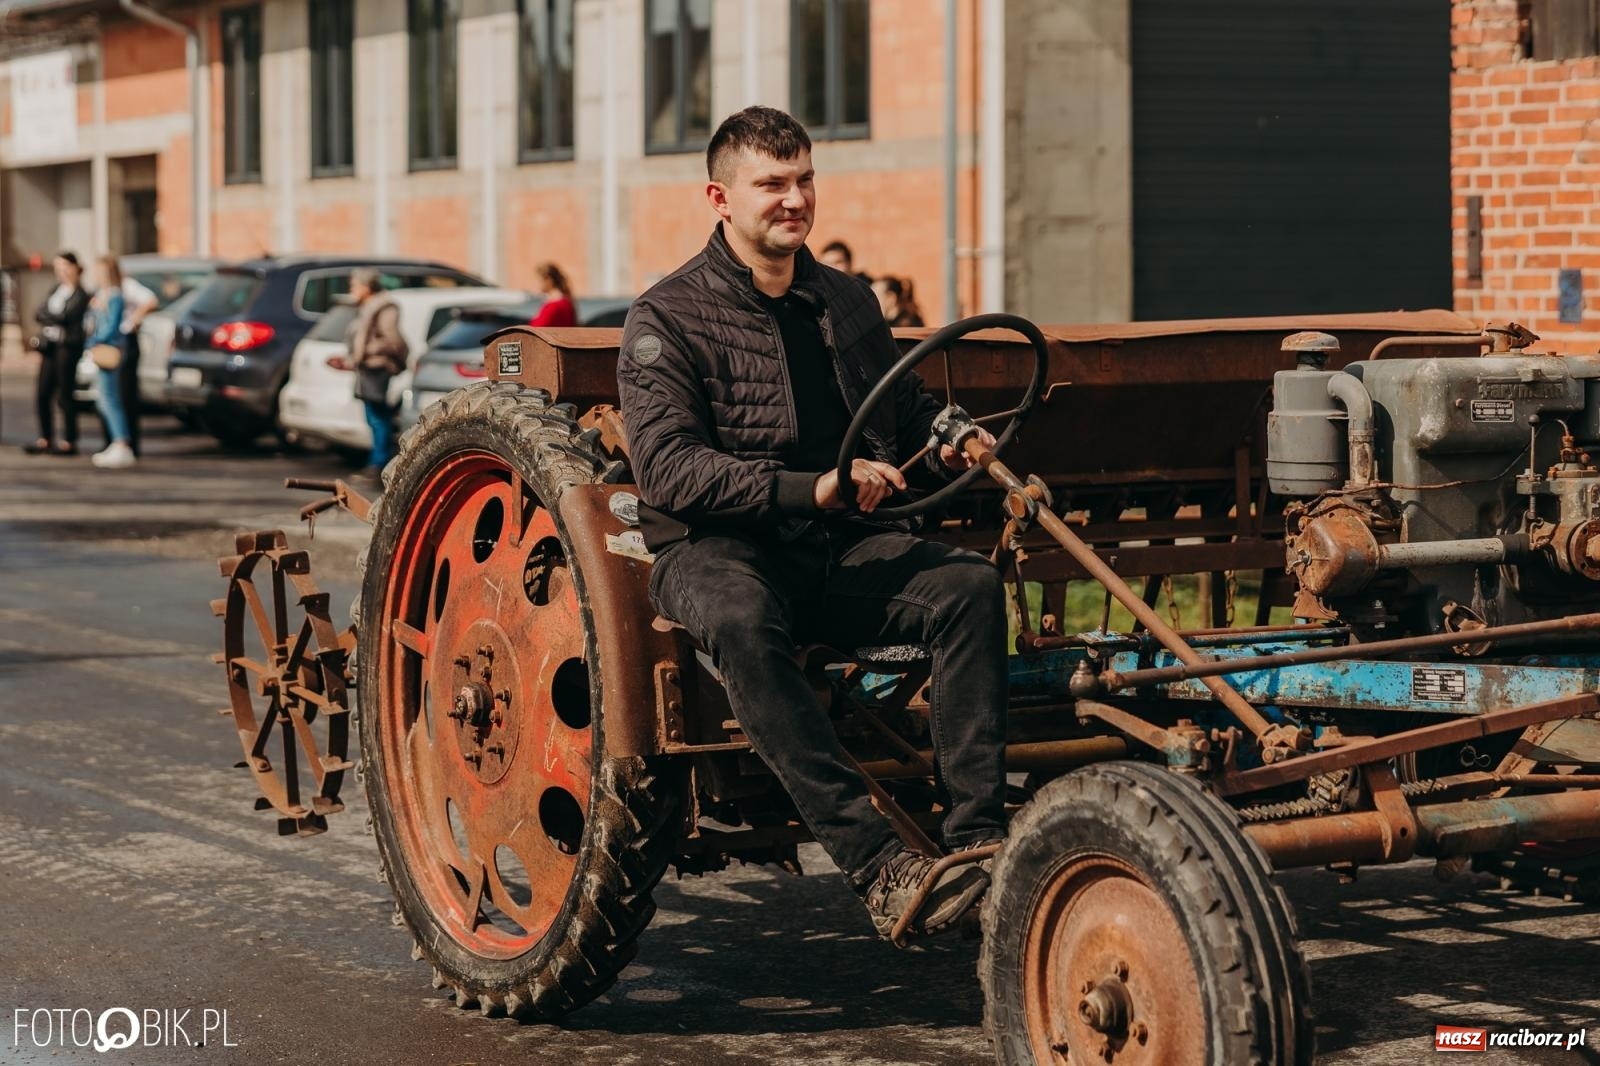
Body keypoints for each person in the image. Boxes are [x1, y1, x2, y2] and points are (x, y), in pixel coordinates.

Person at [617, 106, 1007, 942]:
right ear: (720, 197)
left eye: (804, 181)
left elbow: (905, 415)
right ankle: (878, 864)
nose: (794, 200)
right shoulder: (667, 317)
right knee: (742, 618)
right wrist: (814, 489)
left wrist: (950, 442)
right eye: (772, 184)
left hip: (838, 547)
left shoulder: (846, 299)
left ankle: (978, 844)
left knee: (969, 588)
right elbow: (668, 468)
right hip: (717, 548)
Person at [342, 267, 408, 478]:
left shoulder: (384, 306)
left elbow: (393, 340)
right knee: (373, 416)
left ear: (367, 286)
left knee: (378, 417)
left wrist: (369, 350)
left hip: (376, 367)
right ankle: (379, 460)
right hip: (365, 366)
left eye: (354, 285)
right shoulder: (367, 306)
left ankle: (380, 464)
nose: (352, 289)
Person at [24, 252, 89, 456]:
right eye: (57, 267)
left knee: (65, 393)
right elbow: (39, 313)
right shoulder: (56, 290)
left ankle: (69, 439)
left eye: (63, 266)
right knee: (42, 392)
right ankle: (46, 437)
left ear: (74, 267)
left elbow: (67, 317)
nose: (60, 271)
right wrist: (54, 317)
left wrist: (52, 317)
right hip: (50, 345)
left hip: (67, 346)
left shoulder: (80, 294)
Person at [86, 256, 134, 469]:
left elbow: (111, 327)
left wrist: (93, 341)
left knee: (110, 398)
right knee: (103, 399)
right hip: (100, 348)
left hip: (109, 349)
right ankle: (117, 442)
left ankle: (121, 443)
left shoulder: (114, 296)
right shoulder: (101, 295)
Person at [116, 266, 159, 457]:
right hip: (113, 343)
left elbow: (151, 301)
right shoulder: (109, 288)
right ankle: (116, 439)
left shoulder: (127, 286)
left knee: (126, 395)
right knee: (113, 395)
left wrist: (133, 320)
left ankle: (130, 442)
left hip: (126, 340)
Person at [528, 262, 577, 326]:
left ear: (548, 280)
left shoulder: (553, 306)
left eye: (538, 280)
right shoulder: (566, 301)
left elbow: (536, 326)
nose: (536, 284)